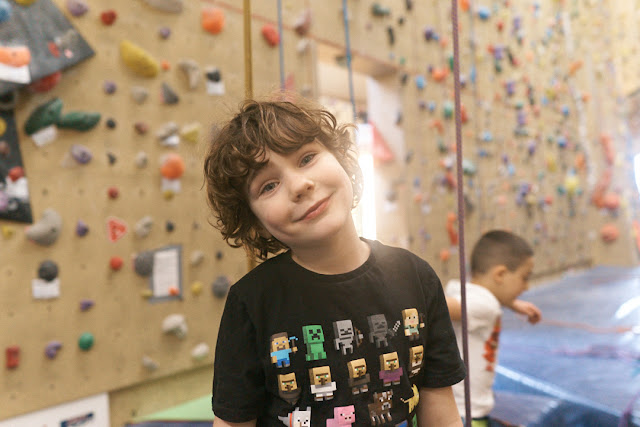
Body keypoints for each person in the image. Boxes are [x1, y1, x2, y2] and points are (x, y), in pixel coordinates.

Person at [204, 95, 466, 427]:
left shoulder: (416, 277)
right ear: (255, 221)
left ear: (341, 158)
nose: (300, 185)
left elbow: (441, 412)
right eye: (268, 186)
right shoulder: (252, 302)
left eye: (307, 158)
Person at [445, 230, 542, 427]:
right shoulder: (485, 305)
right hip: (466, 414)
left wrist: (511, 303)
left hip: (460, 408)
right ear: (500, 274)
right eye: (524, 278)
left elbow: (470, 304)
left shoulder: (461, 290)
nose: (527, 287)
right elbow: (440, 307)